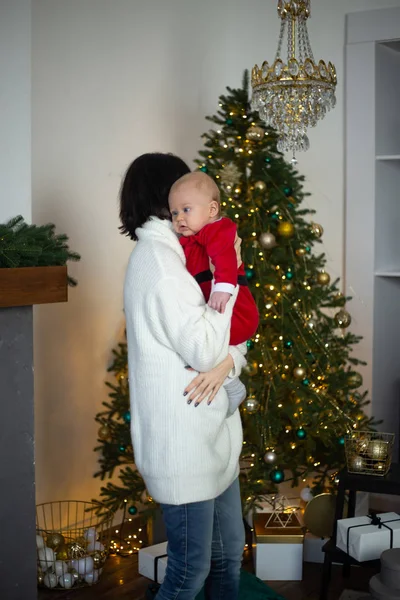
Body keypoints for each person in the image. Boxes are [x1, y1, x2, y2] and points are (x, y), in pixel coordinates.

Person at [119, 153, 246, 600]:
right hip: (184, 448)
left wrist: (230, 363)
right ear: (165, 197)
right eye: (180, 195)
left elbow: (231, 342)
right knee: (189, 573)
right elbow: (207, 345)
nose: (187, 202)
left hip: (212, 440)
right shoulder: (160, 263)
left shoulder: (186, 254)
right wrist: (228, 279)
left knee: (228, 558)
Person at [168, 171, 259, 416]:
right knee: (207, 345)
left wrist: (223, 289)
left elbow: (225, 259)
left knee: (211, 348)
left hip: (235, 309)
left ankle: (232, 386)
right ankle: (230, 386)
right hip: (219, 308)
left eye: (186, 210)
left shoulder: (217, 230)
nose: (179, 218)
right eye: (174, 213)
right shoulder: (189, 239)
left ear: (211, 210)